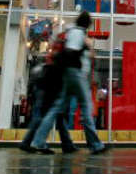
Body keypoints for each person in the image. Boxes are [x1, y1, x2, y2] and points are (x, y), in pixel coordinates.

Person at [30, 11, 107, 155]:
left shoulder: (71, 32)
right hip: (76, 75)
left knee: (56, 109)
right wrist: (85, 48)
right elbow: (73, 51)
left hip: (68, 74)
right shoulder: (78, 34)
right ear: (87, 24)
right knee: (86, 106)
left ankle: (38, 141)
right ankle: (96, 145)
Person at [18, 57, 77, 153]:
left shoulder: (51, 62)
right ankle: (34, 143)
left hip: (47, 86)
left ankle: (67, 144)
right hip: (47, 87)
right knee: (43, 116)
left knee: (57, 117)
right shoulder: (58, 56)